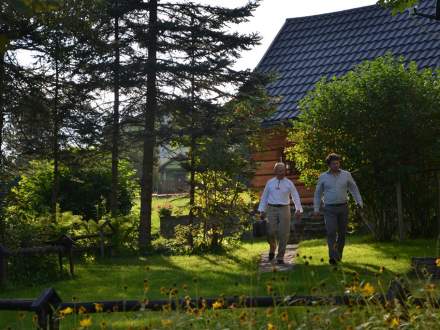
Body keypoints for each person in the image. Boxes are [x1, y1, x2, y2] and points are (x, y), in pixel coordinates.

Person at [313, 153, 363, 265]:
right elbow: (318, 194)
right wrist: (316, 209)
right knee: (331, 232)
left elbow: (354, 189)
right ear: (329, 165)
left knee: (341, 234)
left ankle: (338, 255)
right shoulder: (323, 177)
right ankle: (332, 257)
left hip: (343, 207)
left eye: (337, 163)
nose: (336, 165)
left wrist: (359, 202)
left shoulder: (346, 175)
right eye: (333, 163)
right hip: (329, 208)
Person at [258, 162, 303, 264]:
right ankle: (273, 247)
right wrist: (262, 210)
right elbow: (264, 197)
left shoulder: (289, 183)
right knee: (270, 231)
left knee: (284, 233)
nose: (281, 173)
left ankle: (280, 256)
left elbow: (295, 195)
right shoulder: (270, 182)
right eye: (279, 171)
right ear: (275, 171)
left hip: (284, 208)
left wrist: (298, 209)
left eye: (283, 171)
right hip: (271, 208)